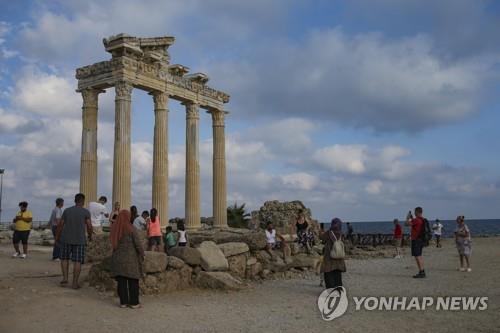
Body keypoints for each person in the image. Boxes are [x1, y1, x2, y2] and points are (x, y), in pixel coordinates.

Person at [55, 193, 93, 289]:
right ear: (83, 201)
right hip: (80, 240)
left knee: (64, 259)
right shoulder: (85, 212)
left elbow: (60, 225)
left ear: (75, 200)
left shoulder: (67, 211)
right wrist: (90, 235)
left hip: (66, 239)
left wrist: (57, 238)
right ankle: (75, 283)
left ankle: (65, 279)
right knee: (77, 261)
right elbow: (89, 226)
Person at [110, 210, 145, 309]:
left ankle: (123, 302)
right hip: (130, 259)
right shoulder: (131, 228)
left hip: (118, 258)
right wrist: (142, 253)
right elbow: (137, 243)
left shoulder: (115, 228)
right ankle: (134, 303)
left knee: (121, 281)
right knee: (133, 280)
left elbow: (113, 243)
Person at [320, 218, 346, 289]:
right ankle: (338, 289)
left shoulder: (329, 233)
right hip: (339, 257)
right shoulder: (341, 233)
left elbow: (322, 238)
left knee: (328, 273)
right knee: (337, 273)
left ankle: (330, 289)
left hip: (329, 256)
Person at [406, 206, 426, 278]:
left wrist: (407, 218)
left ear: (417, 212)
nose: (414, 213)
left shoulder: (416, 220)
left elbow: (406, 224)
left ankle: (421, 272)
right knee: (419, 255)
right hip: (421, 239)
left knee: (417, 256)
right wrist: (412, 218)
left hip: (416, 239)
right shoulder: (422, 219)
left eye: (415, 212)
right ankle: (422, 271)